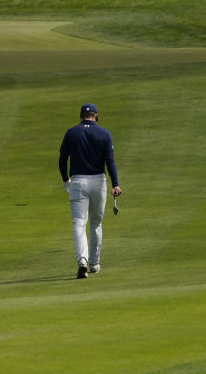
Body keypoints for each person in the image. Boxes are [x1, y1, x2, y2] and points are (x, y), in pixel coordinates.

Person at [58, 102, 122, 279]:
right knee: (96, 223)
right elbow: (110, 161)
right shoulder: (104, 133)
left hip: (78, 182)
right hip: (98, 182)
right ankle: (94, 263)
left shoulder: (71, 133)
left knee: (79, 223)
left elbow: (62, 160)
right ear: (96, 116)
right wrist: (115, 184)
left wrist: (66, 181)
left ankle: (82, 261)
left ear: (81, 116)